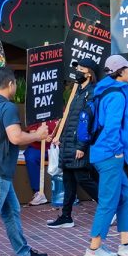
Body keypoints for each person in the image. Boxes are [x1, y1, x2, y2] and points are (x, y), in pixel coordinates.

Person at [83, 55, 128, 256]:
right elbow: (112, 127)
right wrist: (117, 151)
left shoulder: (106, 91)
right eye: (127, 69)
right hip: (110, 154)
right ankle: (94, 248)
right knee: (108, 202)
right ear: (120, 72)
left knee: (126, 195)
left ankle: (126, 243)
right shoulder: (117, 96)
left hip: (102, 152)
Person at [0, 67, 48, 256]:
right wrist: (38, 135)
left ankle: (25, 254)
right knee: (11, 212)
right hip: (0, 172)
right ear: (11, 84)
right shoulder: (8, 107)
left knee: (11, 212)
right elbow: (16, 137)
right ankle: (24, 254)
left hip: (4, 174)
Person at [47, 58, 99, 228]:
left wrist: (81, 146)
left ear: (89, 74)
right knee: (69, 179)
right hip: (68, 143)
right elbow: (71, 119)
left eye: (81, 69)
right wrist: (60, 138)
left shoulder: (92, 93)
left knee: (83, 178)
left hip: (78, 145)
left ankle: (110, 208)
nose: (77, 71)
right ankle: (66, 216)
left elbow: (87, 121)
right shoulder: (78, 92)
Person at [24, 120, 59, 205]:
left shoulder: (60, 111)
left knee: (67, 156)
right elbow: (32, 133)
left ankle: (66, 192)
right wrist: (43, 137)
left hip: (56, 147)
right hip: (37, 148)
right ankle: (38, 193)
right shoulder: (37, 111)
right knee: (31, 157)